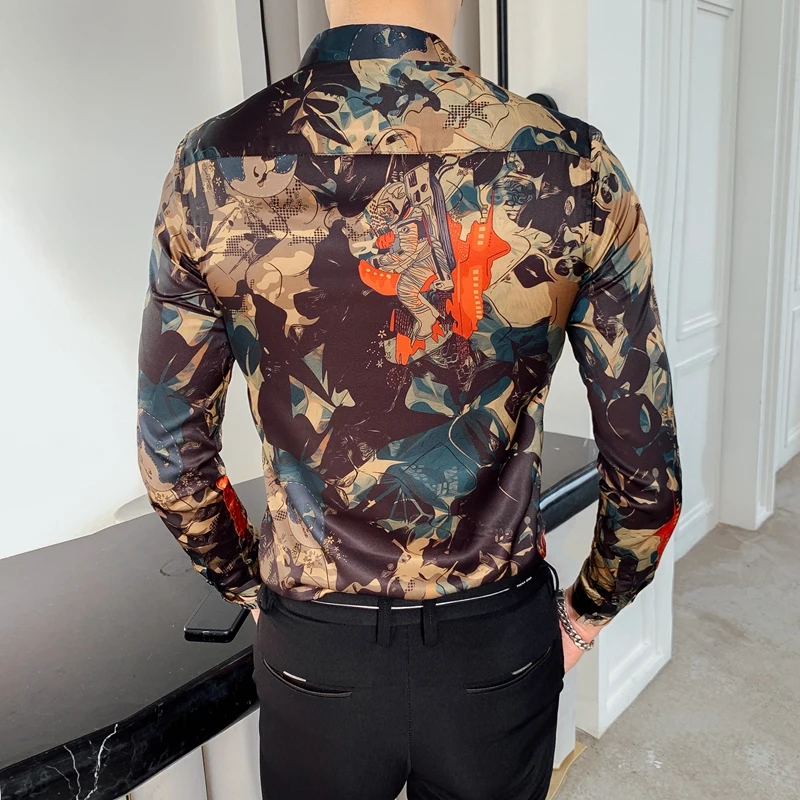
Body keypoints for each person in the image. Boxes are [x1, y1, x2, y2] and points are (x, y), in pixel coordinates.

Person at [136, 1, 683, 797]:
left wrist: (250, 589)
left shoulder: (211, 169)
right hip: (495, 647)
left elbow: (171, 462)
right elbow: (649, 480)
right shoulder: (572, 168)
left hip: (315, 647)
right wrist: (588, 612)